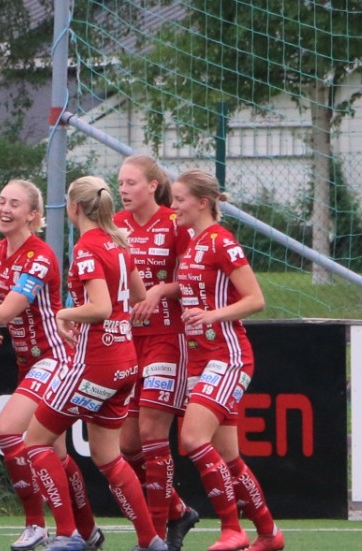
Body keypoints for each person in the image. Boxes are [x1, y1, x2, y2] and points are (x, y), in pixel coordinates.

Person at [0, 179, 103, 551]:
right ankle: (86, 530)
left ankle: (40, 526)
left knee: (8, 430)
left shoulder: (39, 256)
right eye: (1, 201)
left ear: (33, 215)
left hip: (56, 357)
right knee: (56, 454)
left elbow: (5, 312)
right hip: (29, 363)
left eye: (14, 204)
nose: (4, 209)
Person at [24, 176, 168, 551]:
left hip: (95, 363)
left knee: (35, 443)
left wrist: (64, 313)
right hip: (125, 362)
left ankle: (68, 534)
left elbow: (101, 307)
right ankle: (150, 540)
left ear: (74, 208)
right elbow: (139, 295)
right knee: (108, 456)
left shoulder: (88, 247)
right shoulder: (119, 243)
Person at [170, 169, 285, 551]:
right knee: (229, 457)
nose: (174, 207)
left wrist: (211, 316)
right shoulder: (193, 242)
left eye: (180, 200)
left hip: (228, 355)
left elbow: (255, 299)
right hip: (201, 359)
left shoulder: (221, 241)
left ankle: (232, 529)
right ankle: (268, 533)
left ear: (203, 202)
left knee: (192, 438)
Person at [115, 155, 199, 551]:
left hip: (167, 338)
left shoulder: (174, 223)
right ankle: (178, 511)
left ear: (152, 186)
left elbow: (192, 277)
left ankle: (156, 533)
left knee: (152, 434)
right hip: (127, 341)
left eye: (131, 183)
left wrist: (161, 290)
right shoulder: (116, 225)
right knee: (127, 446)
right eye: (120, 183)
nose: (123, 190)